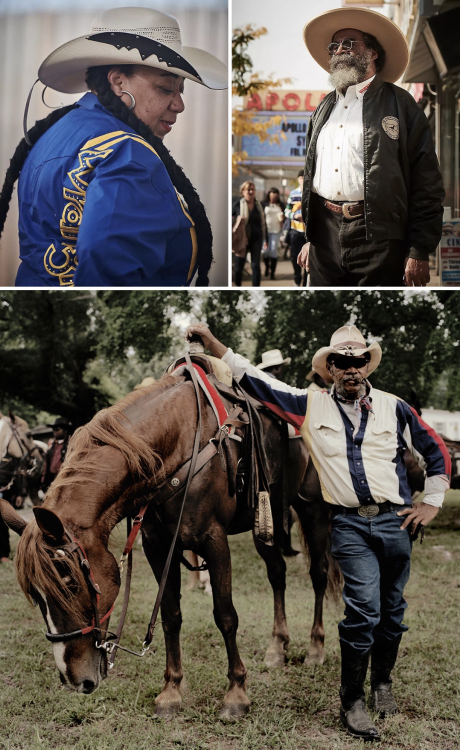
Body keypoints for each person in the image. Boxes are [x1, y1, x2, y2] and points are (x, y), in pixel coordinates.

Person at [185, 322, 451, 742]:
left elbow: (434, 450)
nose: (351, 369)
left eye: (358, 361)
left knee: (392, 612)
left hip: (395, 520)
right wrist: (213, 343)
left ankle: (382, 684)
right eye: (341, 362)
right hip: (348, 524)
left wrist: (432, 501)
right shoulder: (309, 406)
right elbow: (253, 377)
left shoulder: (394, 407)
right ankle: (352, 700)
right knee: (363, 608)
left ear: (368, 365)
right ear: (329, 368)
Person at [0, 7, 227, 287]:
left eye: (181, 89)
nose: (179, 104)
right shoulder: (128, 154)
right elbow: (111, 277)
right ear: (118, 82)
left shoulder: (53, 132)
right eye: (166, 89)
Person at [297, 7, 445, 287]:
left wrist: (419, 249)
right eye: (334, 45)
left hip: (380, 236)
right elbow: (311, 176)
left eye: (349, 43)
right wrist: (310, 237)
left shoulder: (402, 105)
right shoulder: (322, 109)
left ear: (373, 53)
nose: (339, 50)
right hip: (324, 236)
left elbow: (427, 182)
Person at [232, 181, 266, 287]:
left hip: (256, 238)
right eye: (248, 189)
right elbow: (228, 222)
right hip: (242, 239)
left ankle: (256, 287)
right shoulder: (237, 205)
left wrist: (266, 239)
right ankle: (237, 286)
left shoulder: (259, 205)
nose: (251, 192)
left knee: (255, 265)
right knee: (239, 266)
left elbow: (263, 224)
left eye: (253, 189)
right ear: (243, 191)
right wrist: (237, 220)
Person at [285, 171, 306, 286]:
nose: (303, 180)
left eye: (305, 177)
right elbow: (286, 211)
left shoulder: (312, 193)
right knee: (295, 257)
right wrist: (294, 216)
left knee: (309, 259)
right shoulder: (293, 194)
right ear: (298, 179)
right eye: (301, 178)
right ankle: (297, 278)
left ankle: (306, 282)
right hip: (295, 230)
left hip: (309, 232)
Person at [41, 417, 72, 492]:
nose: (54, 431)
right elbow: (46, 464)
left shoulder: (71, 444)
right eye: (53, 429)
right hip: (50, 477)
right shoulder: (51, 444)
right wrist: (43, 481)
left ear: (65, 430)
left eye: (57, 429)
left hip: (63, 478)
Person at [262, 188, 285, 280]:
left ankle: (273, 272)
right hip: (265, 231)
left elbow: (285, 217)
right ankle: (267, 266)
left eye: (276, 194)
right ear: (269, 194)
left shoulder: (281, 205)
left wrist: (283, 217)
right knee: (265, 251)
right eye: (272, 193)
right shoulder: (263, 203)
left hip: (276, 230)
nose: (274, 195)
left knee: (274, 250)